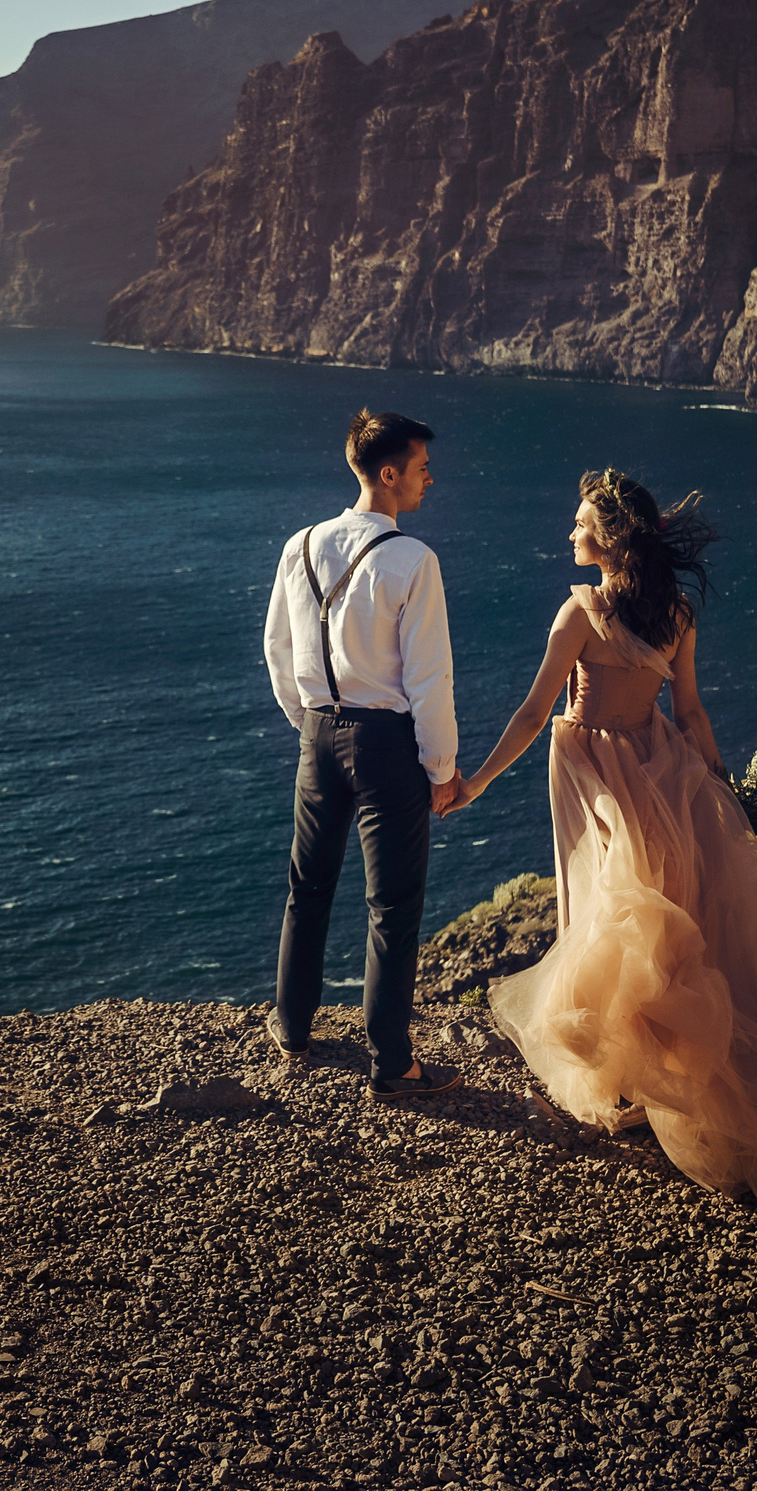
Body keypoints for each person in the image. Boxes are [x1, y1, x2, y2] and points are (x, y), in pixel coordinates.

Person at [446, 469, 757, 1209]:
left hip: (597, 769)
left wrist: (476, 783)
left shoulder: (578, 612)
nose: (569, 533)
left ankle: (632, 1085)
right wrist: (722, 789)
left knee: (614, 915)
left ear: (609, 540)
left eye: (580, 524)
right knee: (664, 921)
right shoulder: (675, 611)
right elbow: (694, 712)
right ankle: (642, 1080)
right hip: (663, 768)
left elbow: (530, 712)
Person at [262, 409, 464, 1098]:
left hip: (318, 734)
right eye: (420, 466)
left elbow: (278, 650)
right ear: (389, 474)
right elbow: (429, 678)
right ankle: (392, 1061)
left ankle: (291, 1027)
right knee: (392, 904)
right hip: (386, 745)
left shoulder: (301, 543)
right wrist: (441, 768)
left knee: (307, 886)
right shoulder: (414, 560)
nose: (429, 477)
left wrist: (310, 721)